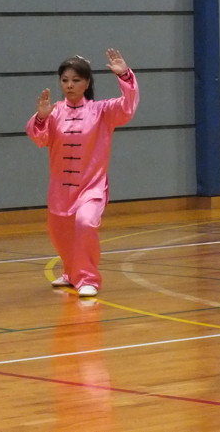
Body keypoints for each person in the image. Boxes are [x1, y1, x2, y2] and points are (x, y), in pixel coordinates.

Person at [26, 49, 139, 297]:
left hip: (91, 187)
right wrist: (42, 118)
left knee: (85, 223)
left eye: (76, 80)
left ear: (87, 83)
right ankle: (71, 272)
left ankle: (88, 278)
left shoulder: (102, 111)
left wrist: (125, 76)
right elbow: (39, 138)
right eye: (65, 80)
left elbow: (127, 107)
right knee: (60, 234)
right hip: (60, 190)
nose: (69, 85)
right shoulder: (53, 112)